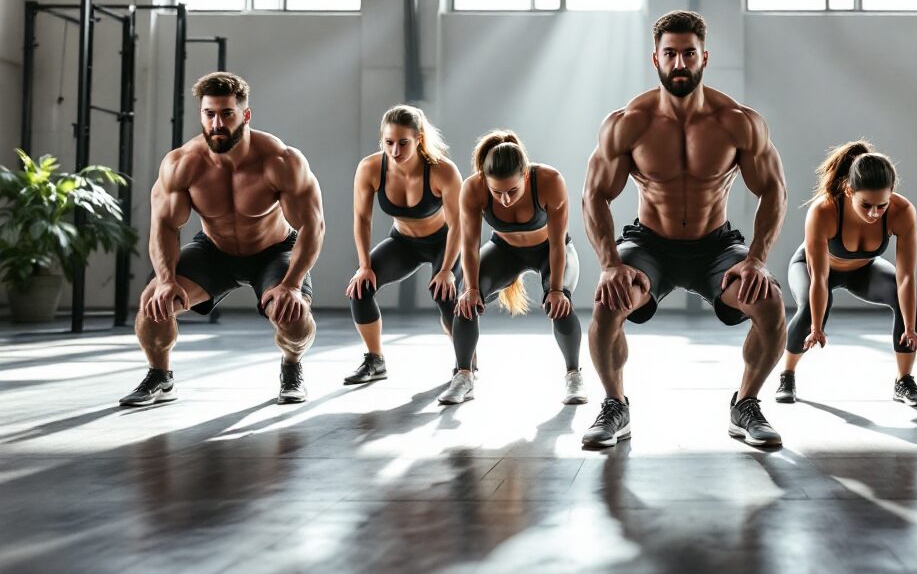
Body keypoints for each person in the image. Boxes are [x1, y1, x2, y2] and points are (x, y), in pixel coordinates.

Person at [581, 10, 788, 448]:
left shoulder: (737, 121)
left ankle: (746, 405)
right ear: (654, 58)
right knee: (607, 305)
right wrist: (609, 264)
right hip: (648, 245)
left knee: (768, 303)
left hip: (716, 248)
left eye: (688, 54)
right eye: (670, 54)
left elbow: (774, 190)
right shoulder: (627, 124)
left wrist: (755, 260)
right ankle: (615, 405)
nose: (680, 64)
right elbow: (593, 196)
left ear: (704, 58)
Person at [121, 72, 324, 406]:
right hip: (214, 251)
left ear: (245, 115)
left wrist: (292, 284)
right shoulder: (182, 164)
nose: (217, 123)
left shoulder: (281, 161)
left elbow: (313, 227)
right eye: (209, 113)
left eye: (226, 114)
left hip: (273, 251)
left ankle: (291, 366)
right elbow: (164, 226)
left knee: (295, 318)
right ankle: (161, 376)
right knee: (153, 303)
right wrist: (166, 280)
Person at [775, 141, 917, 406]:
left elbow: (905, 276)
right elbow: (820, 279)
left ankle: (904, 382)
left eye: (881, 205)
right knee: (813, 309)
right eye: (866, 204)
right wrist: (816, 328)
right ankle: (787, 374)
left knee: (905, 297)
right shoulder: (824, 211)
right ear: (849, 190)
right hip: (816, 269)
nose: (874, 213)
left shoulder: (902, 211)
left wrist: (911, 328)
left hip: (864, 270)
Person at [448, 130, 587, 405]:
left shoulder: (549, 180)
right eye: (497, 192)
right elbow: (470, 245)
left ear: (525, 175)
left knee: (559, 304)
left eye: (512, 191)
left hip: (550, 251)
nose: (505, 200)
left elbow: (558, 244)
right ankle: (464, 375)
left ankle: (574, 375)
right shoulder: (473, 188)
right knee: (465, 299)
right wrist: (472, 288)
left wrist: (557, 290)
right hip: (505, 252)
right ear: (485, 181)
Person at [342, 105, 463, 387]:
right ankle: (375, 360)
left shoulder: (442, 170)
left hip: (442, 242)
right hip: (404, 242)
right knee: (360, 290)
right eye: (389, 142)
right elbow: (362, 220)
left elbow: (459, 225)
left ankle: (465, 362)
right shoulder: (371, 168)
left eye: (403, 143)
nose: (395, 151)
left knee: (445, 295)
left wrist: (446, 270)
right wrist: (364, 267)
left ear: (419, 138)